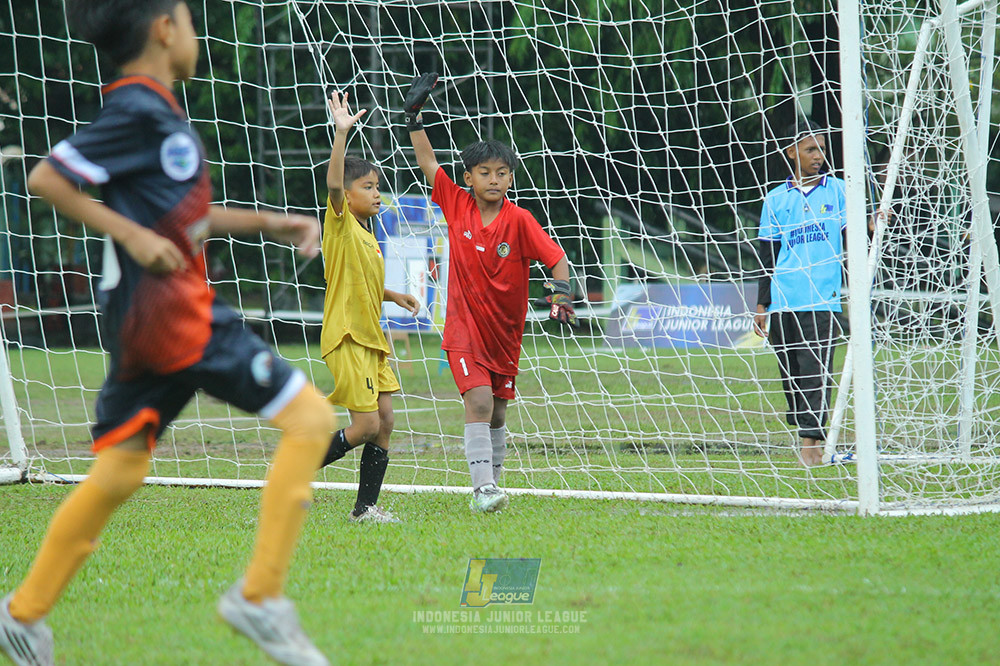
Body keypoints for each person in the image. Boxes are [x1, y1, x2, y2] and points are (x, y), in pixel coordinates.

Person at [0, 3, 334, 665]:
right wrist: (131, 235)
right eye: (189, 19)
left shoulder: (159, 113)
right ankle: (260, 595)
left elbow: (187, 218)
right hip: (174, 315)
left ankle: (23, 614)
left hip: (141, 322)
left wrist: (274, 223)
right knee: (313, 420)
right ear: (164, 30)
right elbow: (46, 178)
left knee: (121, 469)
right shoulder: (137, 110)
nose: (196, 35)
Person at [403, 73, 577, 513]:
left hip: (505, 335)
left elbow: (557, 259)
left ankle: (492, 484)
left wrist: (561, 296)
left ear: (511, 179)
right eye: (485, 173)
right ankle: (482, 489)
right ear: (469, 178)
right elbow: (428, 162)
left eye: (502, 173)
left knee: (498, 413)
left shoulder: (520, 221)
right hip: (464, 332)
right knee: (478, 402)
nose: (494, 180)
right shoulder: (456, 203)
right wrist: (414, 118)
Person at [315, 91, 420, 523]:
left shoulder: (367, 234)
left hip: (371, 339)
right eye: (368, 187)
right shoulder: (340, 221)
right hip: (348, 335)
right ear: (348, 194)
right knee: (365, 427)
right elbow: (333, 184)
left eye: (378, 187)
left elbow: (361, 285)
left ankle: (365, 509)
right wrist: (342, 133)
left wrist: (393, 296)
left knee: (386, 421)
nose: (377, 194)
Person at [753, 118, 855, 467]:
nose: (818, 155)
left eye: (822, 149)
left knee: (815, 372)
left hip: (822, 299)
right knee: (792, 376)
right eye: (811, 149)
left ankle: (811, 449)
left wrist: (873, 223)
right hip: (784, 300)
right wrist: (762, 304)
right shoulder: (775, 199)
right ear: (791, 152)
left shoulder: (838, 190)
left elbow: (856, 234)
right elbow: (767, 256)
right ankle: (807, 437)